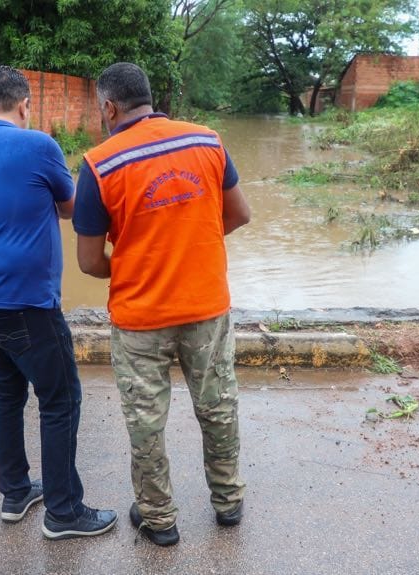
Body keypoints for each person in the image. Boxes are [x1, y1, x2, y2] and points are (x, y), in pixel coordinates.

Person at [74, 62, 251, 547]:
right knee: (217, 406)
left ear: (110, 107)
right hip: (206, 307)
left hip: (140, 319)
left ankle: (160, 519)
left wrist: (136, 263)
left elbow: (89, 262)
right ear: (149, 98)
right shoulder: (207, 141)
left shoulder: (98, 164)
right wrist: (193, 244)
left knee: (146, 421)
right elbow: (239, 214)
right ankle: (229, 503)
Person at [0, 66, 117, 539]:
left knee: (6, 393)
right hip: (25, 302)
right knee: (60, 398)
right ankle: (64, 512)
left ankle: (16, 491)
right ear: (24, 105)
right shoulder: (38, 145)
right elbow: (70, 208)